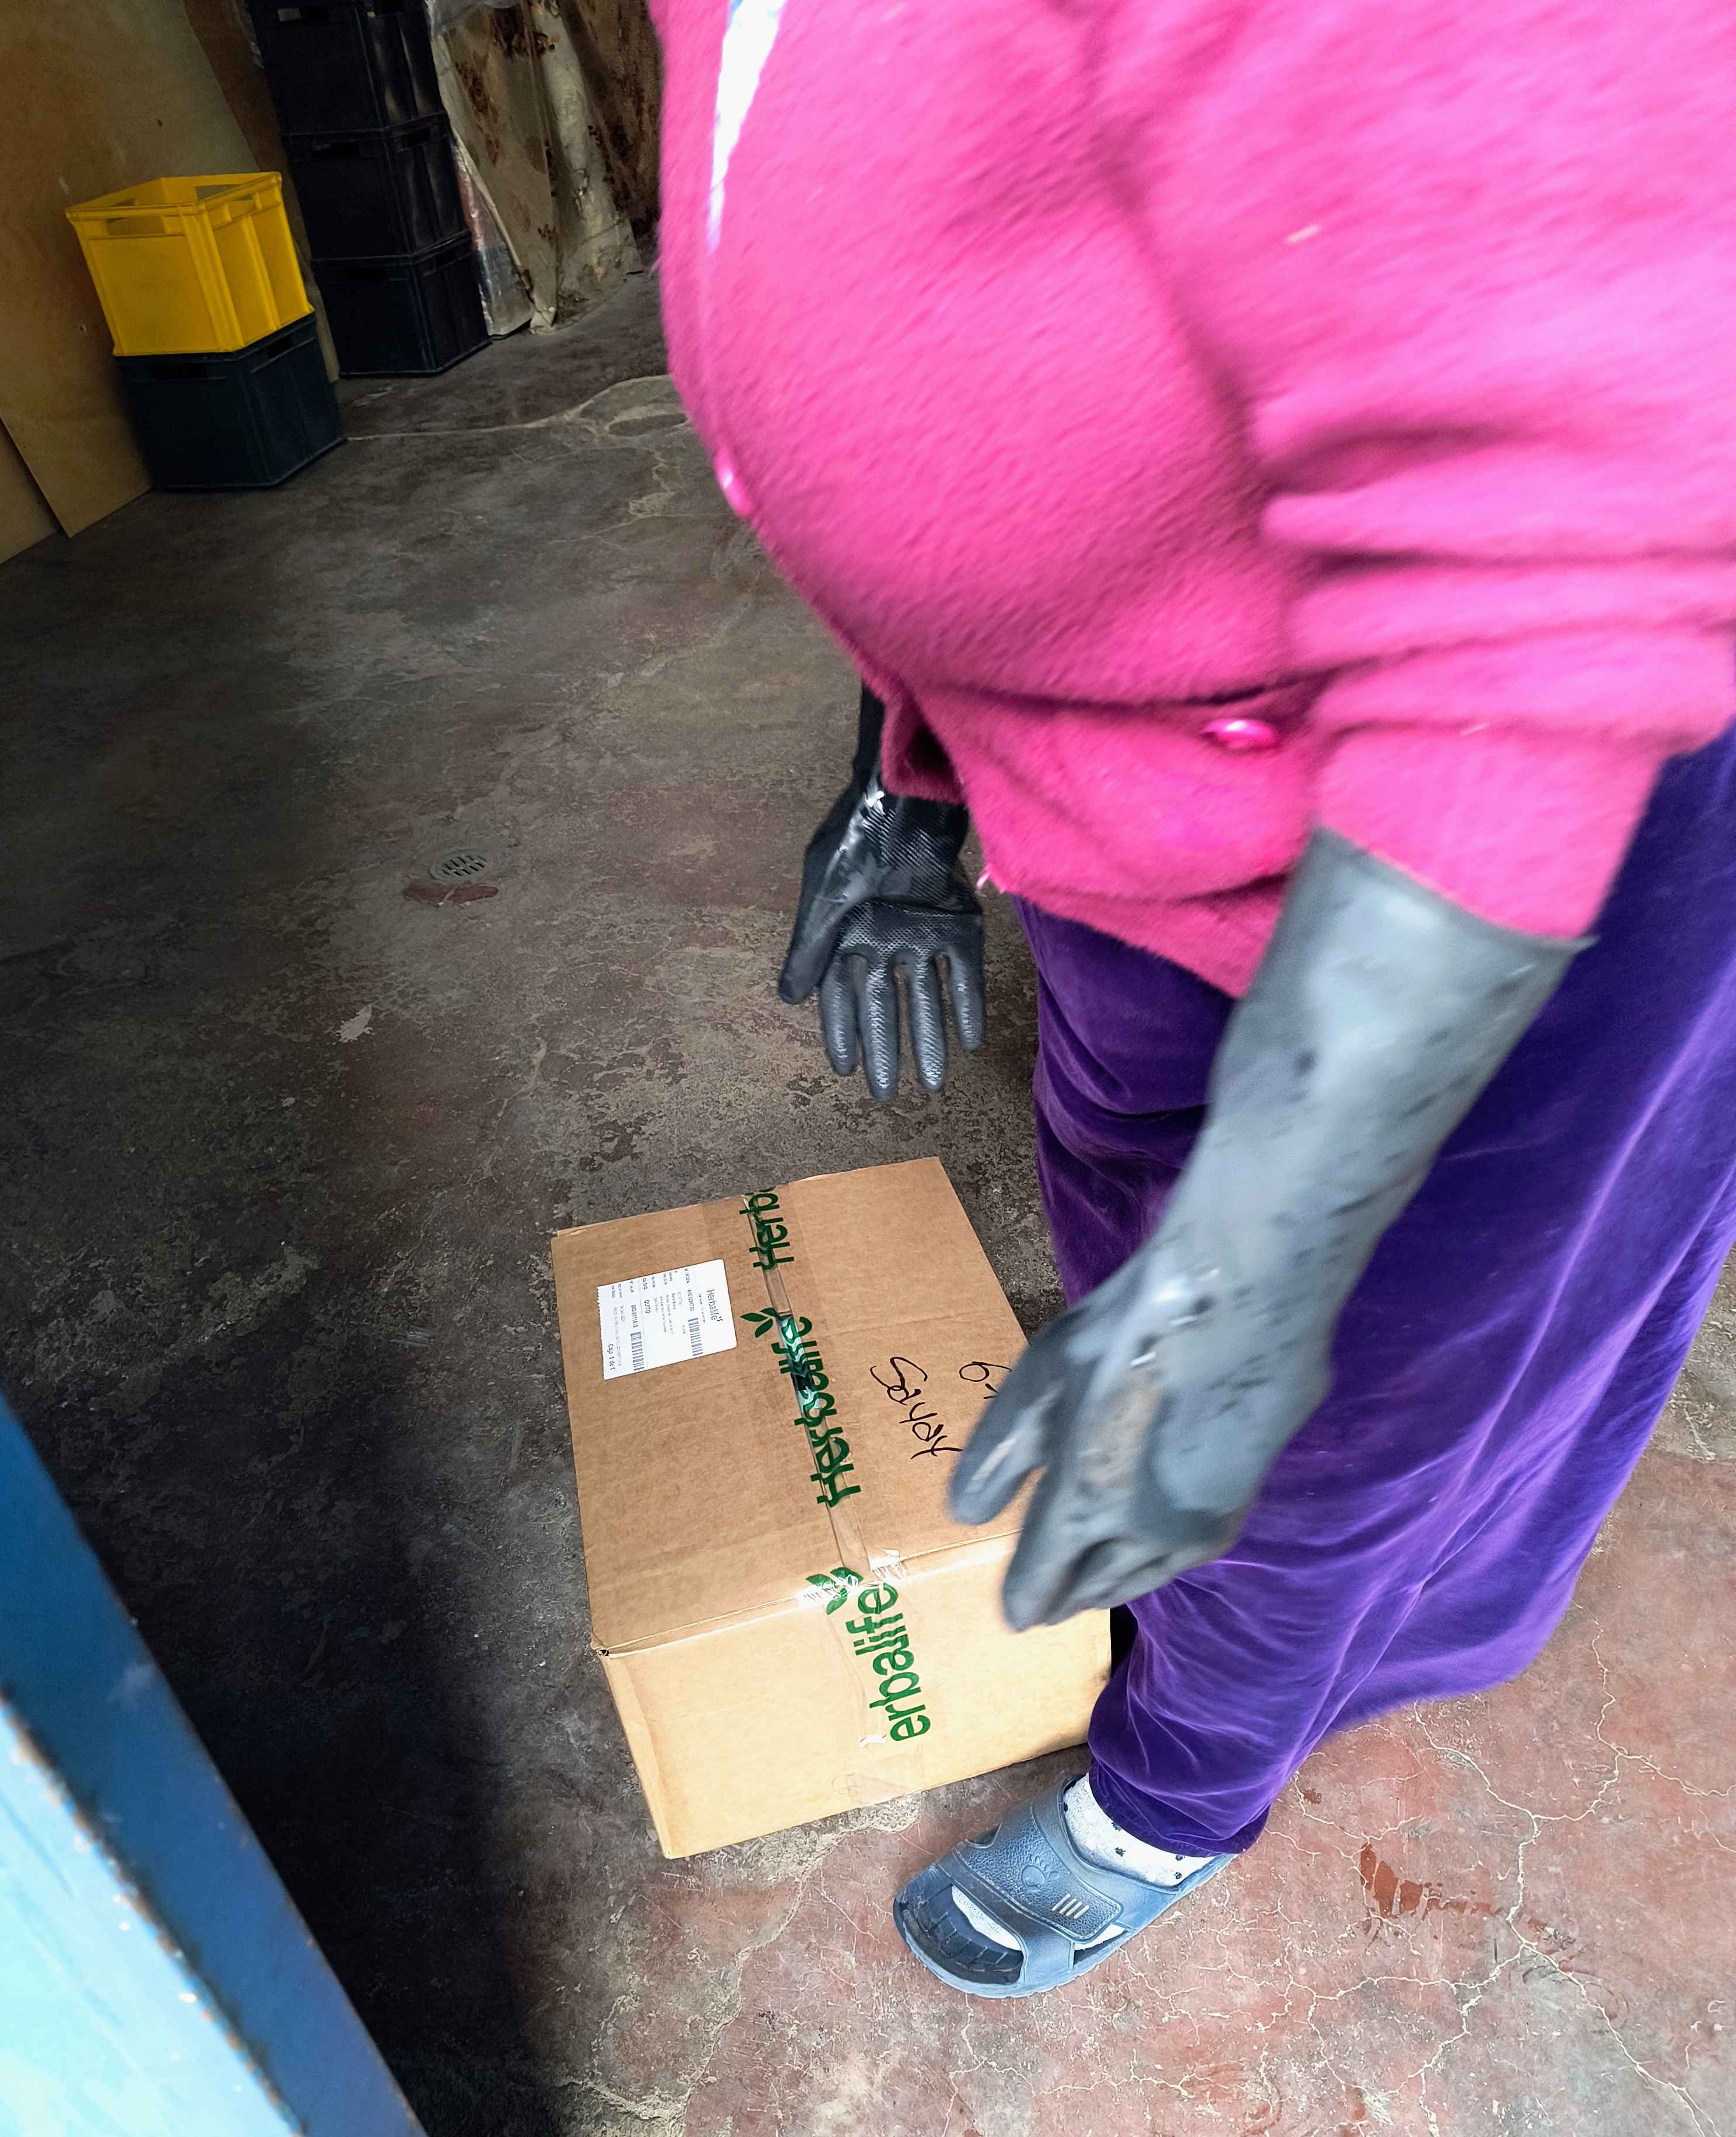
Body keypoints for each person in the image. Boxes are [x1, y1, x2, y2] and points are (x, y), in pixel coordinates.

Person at [651, 0, 1736, 1995]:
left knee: (1327, 1402)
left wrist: (1256, 1266)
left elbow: (1553, 567)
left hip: (1480, 849)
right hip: (1129, 799)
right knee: (1126, 1237)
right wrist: (901, 776)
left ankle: (1179, 1795)